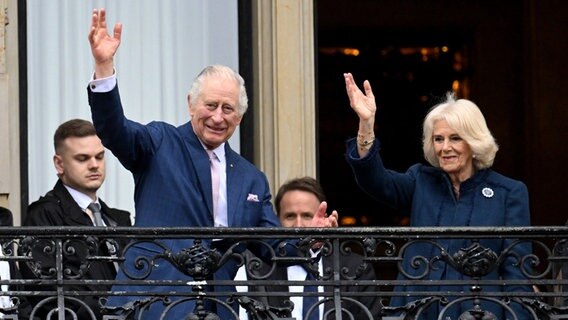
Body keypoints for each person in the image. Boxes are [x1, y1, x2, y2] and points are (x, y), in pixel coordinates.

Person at [86, 8, 338, 319]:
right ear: (190, 104)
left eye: (228, 108)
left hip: (218, 309)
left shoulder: (251, 178)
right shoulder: (160, 141)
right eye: (210, 105)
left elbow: (273, 246)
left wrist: (308, 238)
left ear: (240, 117)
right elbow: (114, 130)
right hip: (152, 302)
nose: (218, 117)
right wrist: (104, 67)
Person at [343, 73, 532, 319]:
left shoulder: (508, 193)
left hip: (480, 314)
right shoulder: (421, 181)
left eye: (455, 138)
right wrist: (366, 125)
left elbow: (518, 274)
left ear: (474, 142)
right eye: (438, 139)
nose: (445, 147)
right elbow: (377, 182)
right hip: (418, 311)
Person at [19, 119, 132, 319]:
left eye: (99, 156)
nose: (94, 165)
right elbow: (47, 289)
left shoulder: (117, 218)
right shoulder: (44, 215)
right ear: (59, 164)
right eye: (82, 158)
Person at [236, 177, 381, 319]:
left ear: (323, 218)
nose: (298, 225)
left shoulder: (355, 268)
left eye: (307, 216)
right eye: (290, 216)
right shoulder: (258, 268)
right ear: (277, 220)